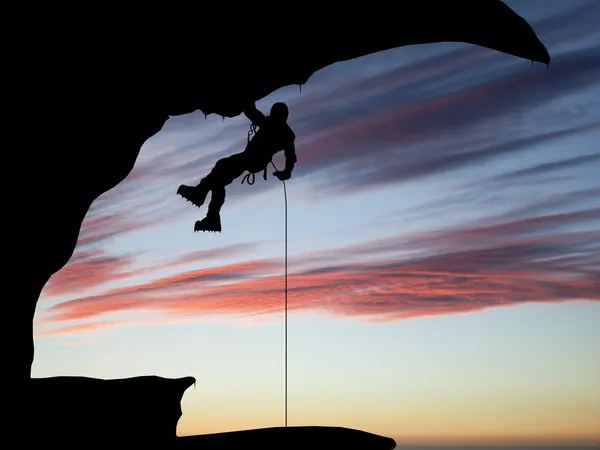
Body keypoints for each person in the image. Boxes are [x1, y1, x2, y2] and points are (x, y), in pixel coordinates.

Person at [177, 101, 297, 233]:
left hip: (253, 159)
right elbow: (290, 156)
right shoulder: (279, 129)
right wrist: (286, 172)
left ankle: (201, 194)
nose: (273, 115)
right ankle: (212, 217)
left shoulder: (276, 127)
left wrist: (286, 172)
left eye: (275, 112)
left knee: (222, 165)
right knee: (219, 180)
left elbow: (251, 111)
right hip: (252, 159)